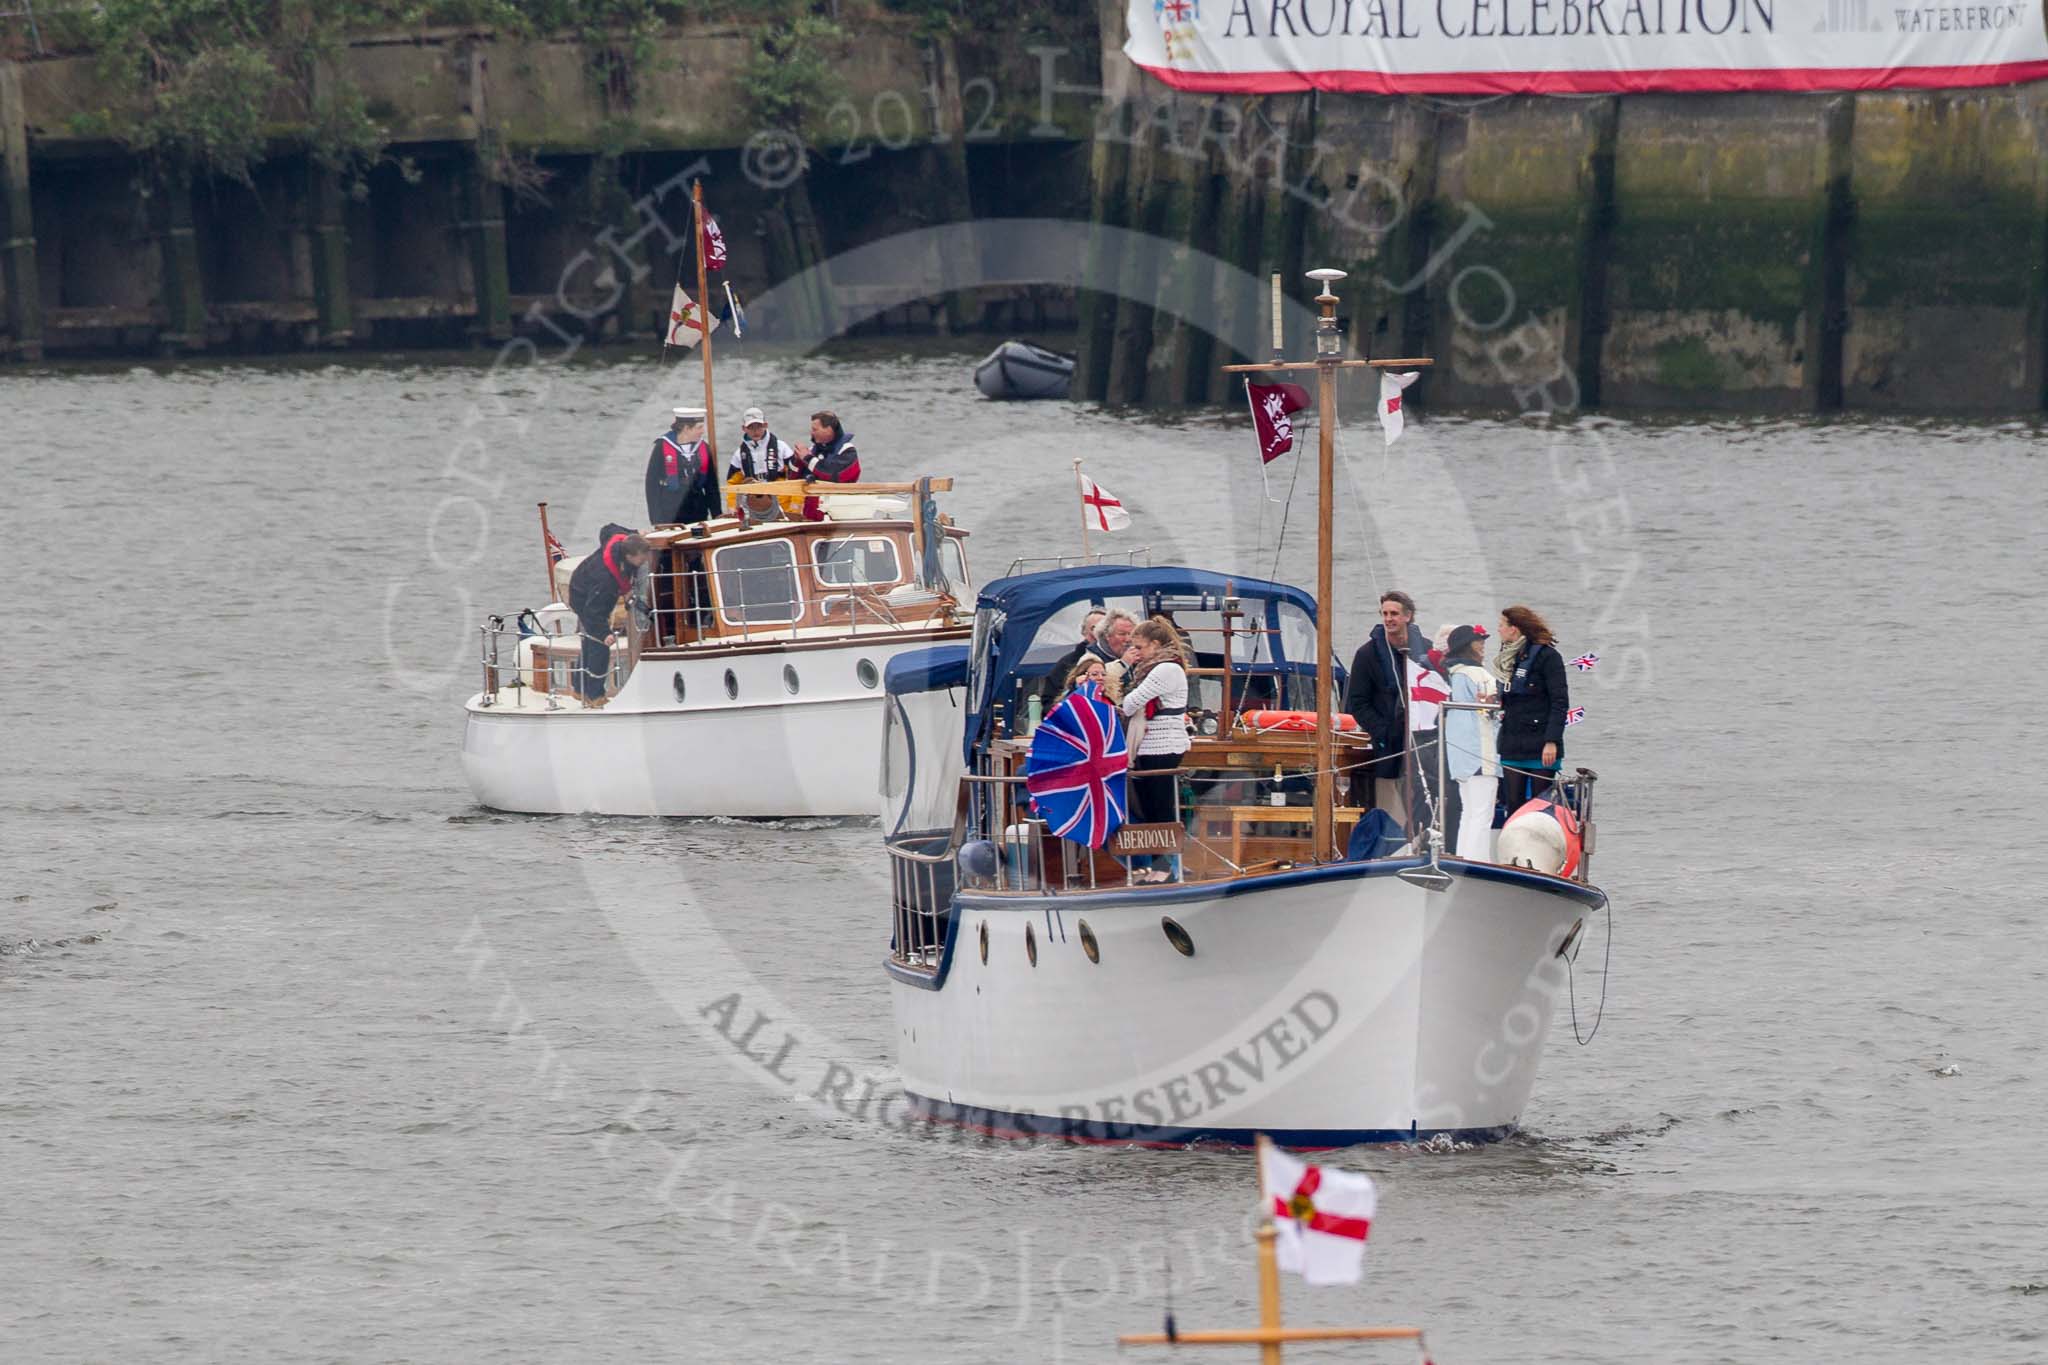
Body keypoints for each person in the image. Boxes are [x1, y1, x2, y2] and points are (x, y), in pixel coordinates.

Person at [1342, 591, 1431, 820]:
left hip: (1424, 743)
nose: (1389, 619)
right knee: (1391, 811)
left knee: (1425, 804)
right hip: (1387, 744)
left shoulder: (1427, 651)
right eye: (1385, 614)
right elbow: (1357, 702)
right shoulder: (1367, 654)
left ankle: (1425, 845)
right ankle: (1393, 849)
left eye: (1394, 613)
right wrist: (1383, 731)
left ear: (1408, 616)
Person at [1119, 620, 1190, 883]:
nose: (1137, 653)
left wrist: (1129, 695)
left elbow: (1130, 703)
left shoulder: (1166, 669)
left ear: (1156, 645)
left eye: (1140, 647)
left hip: (1164, 744)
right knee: (1150, 807)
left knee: (1161, 808)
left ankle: (1169, 866)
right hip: (1150, 745)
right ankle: (1159, 864)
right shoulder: (1152, 669)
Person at [1493, 604, 1569, 816]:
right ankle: (1513, 848)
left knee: (1540, 806)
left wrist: (1552, 740)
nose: (1498, 630)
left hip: (1540, 745)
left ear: (1514, 629)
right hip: (1512, 743)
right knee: (1514, 805)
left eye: (1501, 625)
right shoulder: (1509, 658)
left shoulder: (1548, 657)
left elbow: (1559, 701)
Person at [566, 526, 651, 707]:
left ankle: (579, 688)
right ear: (630, 557)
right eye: (642, 559)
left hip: (587, 587)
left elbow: (607, 528)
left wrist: (634, 532)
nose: (644, 561)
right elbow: (592, 613)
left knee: (590, 640)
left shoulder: (619, 541)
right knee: (599, 645)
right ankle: (595, 696)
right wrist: (605, 632)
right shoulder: (605, 579)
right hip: (584, 596)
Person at [1442, 624, 1499, 859]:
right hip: (1481, 751)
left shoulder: (1454, 674)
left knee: (1469, 810)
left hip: (1460, 754)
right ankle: (1477, 861)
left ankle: (1464, 856)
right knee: (1483, 812)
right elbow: (1490, 710)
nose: (1483, 644)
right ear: (1467, 646)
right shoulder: (1478, 675)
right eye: (1478, 641)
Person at [646, 407, 721, 526]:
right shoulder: (661, 447)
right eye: (699, 427)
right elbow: (651, 485)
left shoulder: (704, 449)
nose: (703, 431)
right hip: (670, 515)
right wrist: (656, 520)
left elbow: (711, 486)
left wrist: (717, 516)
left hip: (698, 514)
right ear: (686, 428)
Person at [1037, 608, 1108, 708]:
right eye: (1094, 628)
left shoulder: (1121, 659)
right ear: (1084, 632)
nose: (1098, 633)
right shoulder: (1066, 664)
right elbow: (1049, 703)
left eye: (1103, 629)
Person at [797, 409, 860, 521]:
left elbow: (833, 476)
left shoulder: (848, 451)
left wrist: (807, 458)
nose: (811, 433)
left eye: (815, 429)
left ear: (829, 429)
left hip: (839, 515)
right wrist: (796, 460)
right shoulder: (813, 450)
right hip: (811, 515)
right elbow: (795, 478)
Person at [727, 405, 799, 482]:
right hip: (751, 492)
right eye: (751, 427)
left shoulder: (782, 447)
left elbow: (795, 475)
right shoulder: (739, 454)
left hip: (779, 491)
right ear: (744, 428)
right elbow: (732, 483)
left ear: (765, 425)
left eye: (759, 426)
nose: (755, 431)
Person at [1097, 609, 1140, 688]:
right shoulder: (1092, 657)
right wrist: (1123, 664)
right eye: (1122, 634)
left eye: (1131, 634)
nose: (1128, 639)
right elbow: (1096, 682)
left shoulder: (1137, 653)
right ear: (1107, 635)